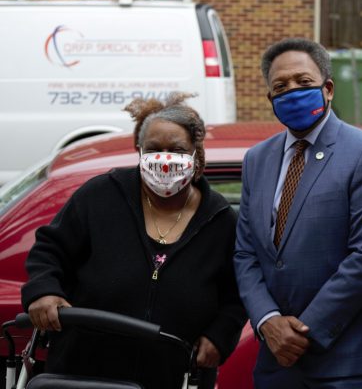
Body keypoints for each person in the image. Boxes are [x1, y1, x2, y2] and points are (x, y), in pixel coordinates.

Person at [21, 93, 247, 389]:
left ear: (196, 154)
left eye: (177, 150)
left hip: (174, 376)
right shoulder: (100, 196)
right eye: (154, 149)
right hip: (84, 372)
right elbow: (49, 250)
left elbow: (236, 293)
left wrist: (220, 336)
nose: (164, 159)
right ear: (139, 151)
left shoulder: (221, 220)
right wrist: (43, 291)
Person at [233, 37, 362, 389]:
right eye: (281, 86)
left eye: (303, 82)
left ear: (328, 89)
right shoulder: (257, 159)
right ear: (270, 98)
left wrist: (303, 331)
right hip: (276, 360)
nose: (292, 91)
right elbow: (246, 253)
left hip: (344, 361)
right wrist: (267, 320)